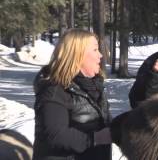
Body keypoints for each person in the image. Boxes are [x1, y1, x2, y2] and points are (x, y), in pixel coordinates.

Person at [33, 29, 112, 160]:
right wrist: (95, 138)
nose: (100, 55)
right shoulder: (54, 89)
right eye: (94, 50)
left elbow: (105, 124)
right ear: (77, 55)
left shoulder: (94, 87)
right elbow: (55, 134)